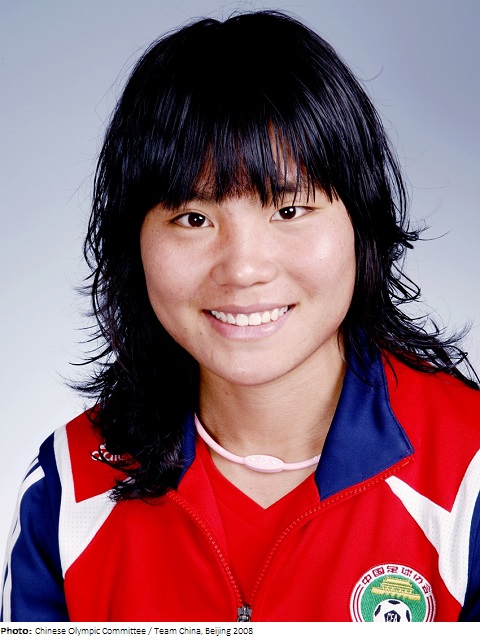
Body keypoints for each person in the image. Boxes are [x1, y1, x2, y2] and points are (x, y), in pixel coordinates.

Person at [2, 10, 480, 623]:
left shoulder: (468, 475)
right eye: (193, 218)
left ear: (362, 221)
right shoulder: (70, 486)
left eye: (289, 210)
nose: (243, 269)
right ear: (133, 243)